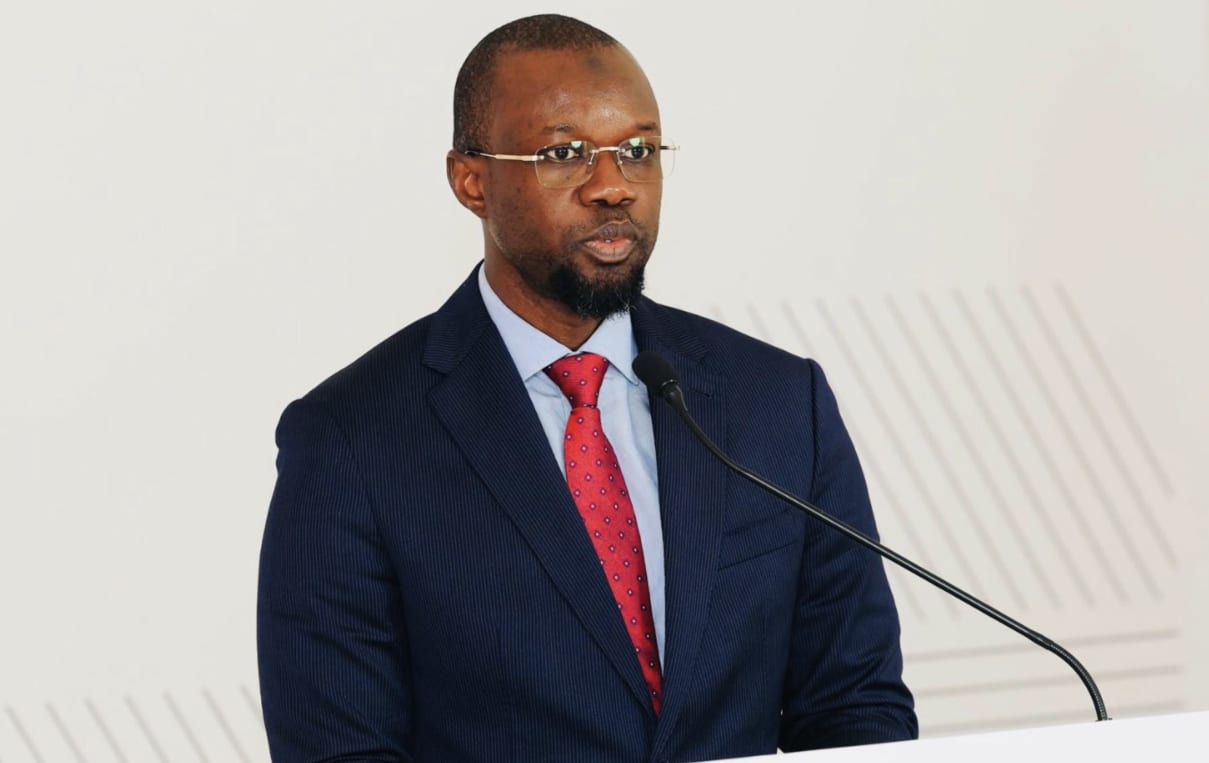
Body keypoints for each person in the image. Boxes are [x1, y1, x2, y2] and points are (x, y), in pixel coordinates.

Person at [257, 13, 917, 763]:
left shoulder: (778, 401)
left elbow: (854, 703)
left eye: (637, 151)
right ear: (471, 181)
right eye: (564, 154)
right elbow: (339, 749)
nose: (612, 187)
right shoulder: (351, 440)